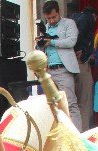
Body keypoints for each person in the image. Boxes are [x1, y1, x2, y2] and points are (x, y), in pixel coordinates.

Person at [38, 1, 82, 130]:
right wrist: (39, 43)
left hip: (63, 70)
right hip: (48, 71)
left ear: (59, 12)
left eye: (53, 17)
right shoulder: (44, 28)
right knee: (51, 106)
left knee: (70, 103)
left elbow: (71, 42)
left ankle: (77, 137)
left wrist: (51, 42)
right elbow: (42, 49)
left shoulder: (69, 23)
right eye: (48, 18)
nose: (51, 20)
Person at [69, 2, 97, 131]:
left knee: (71, 103)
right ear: (94, 15)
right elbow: (79, 32)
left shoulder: (72, 17)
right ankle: (83, 133)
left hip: (69, 65)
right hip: (80, 63)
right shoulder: (88, 17)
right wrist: (81, 50)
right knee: (84, 102)